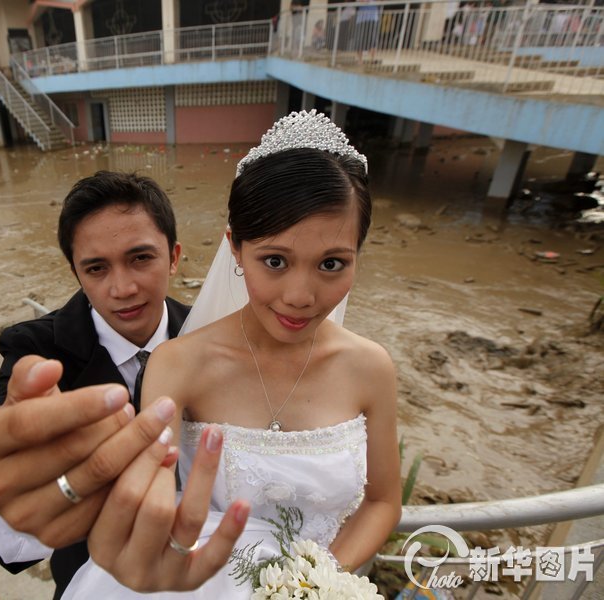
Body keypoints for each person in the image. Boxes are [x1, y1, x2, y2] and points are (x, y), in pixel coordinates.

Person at [62, 110, 402, 597]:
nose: (300, 296)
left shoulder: (371, 369)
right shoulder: (178, 365)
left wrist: (312, 585)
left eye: (331, 264)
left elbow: (383, 502)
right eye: (275, 261)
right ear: (236, 250)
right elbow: (151, 500)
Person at [0, 171, 196, 599]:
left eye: (140, 258)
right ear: (76, 273)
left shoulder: (207, 332)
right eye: (96, 268)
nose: (123, 288)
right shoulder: (38, 350)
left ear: (173, 257)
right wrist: (9, 468)